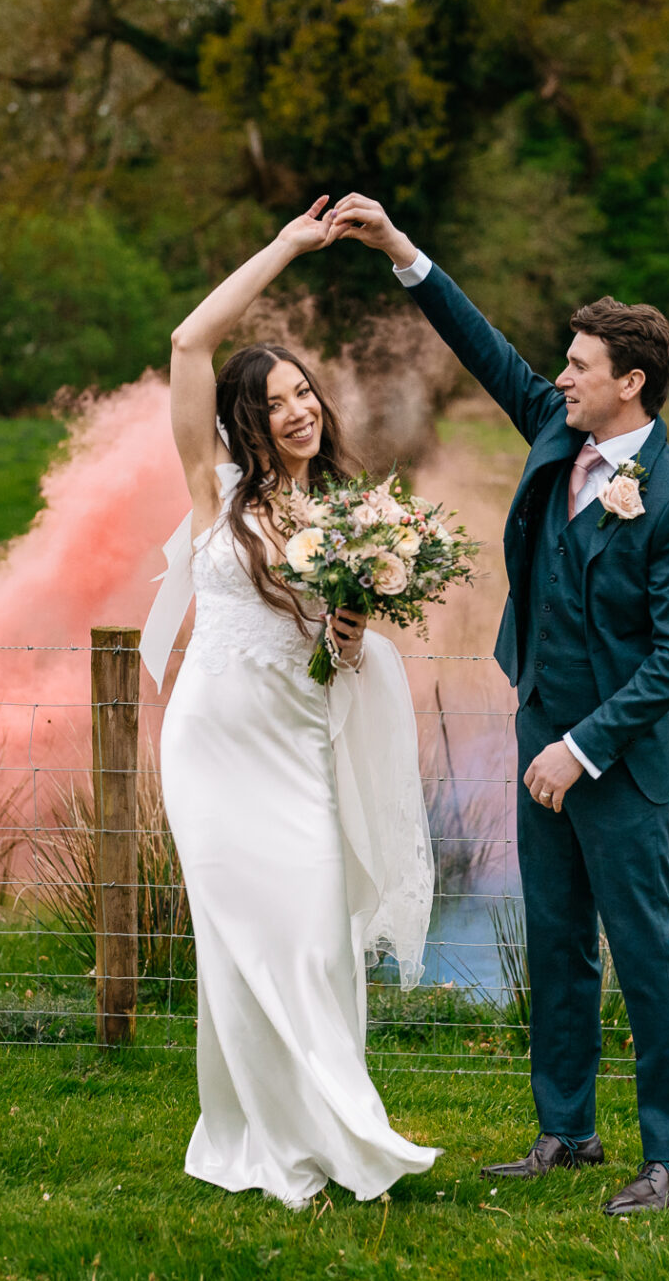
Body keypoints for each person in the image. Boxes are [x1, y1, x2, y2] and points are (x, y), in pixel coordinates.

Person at [329, 193, 669, 1216]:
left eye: (581, 366)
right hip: (538, 722)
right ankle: (567, 1132)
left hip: (617, 762)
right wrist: (403, 250)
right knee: (553, 938)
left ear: (630, 383)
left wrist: (580, 749)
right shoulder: (555, 429)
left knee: (643, 954)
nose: (561, 377)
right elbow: (485, 346)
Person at [149, 195, 440, 1209]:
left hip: (299, 745)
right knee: (238, 946)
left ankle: (338, 1127)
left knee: (315, 938)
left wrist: (352, 641)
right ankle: (259, 1137)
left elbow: (342, 656)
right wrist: (288, 245)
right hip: (212, 748)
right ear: (247, 417)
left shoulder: (351, 517)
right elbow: (190, 340)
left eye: (305, 391)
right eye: (277, 398)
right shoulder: (213, 492)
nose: (300, 407)